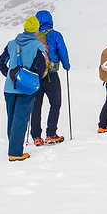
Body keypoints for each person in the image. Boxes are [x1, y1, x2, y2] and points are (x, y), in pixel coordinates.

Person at [0, 15, 47, 162]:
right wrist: (31, 80)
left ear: (25, 28)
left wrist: (10, 76)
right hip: (26, 88)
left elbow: (0, 63)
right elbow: (41, 67)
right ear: (36, 30)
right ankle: (15, 153)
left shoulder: (12, 44)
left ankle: (13, 146)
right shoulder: (38, 46)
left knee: (12, 119)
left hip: (9, 88)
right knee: (21, 119)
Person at [29, 10, 70, 146]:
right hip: (51, 74)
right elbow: (62, 51)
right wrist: (66, 65)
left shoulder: (33, 36)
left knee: (36, 106)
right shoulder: (55, 34)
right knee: (55, 103)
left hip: (35, 76)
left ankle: (36, 136)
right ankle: (51, 134)